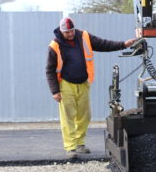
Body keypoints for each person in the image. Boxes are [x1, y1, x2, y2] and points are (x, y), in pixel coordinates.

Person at [46, 17, 138, 159]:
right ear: (61, 31)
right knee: (68, 117)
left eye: (71, 31)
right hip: (65, 85)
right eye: (67, 33)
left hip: (83, 83)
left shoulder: (83, 36)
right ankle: (70, 147)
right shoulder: (55, 45)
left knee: (85, 115)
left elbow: (103, 44)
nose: (70, 34)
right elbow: (49, 70)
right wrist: (55, 91)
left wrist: (123, 44)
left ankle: (80, 143)